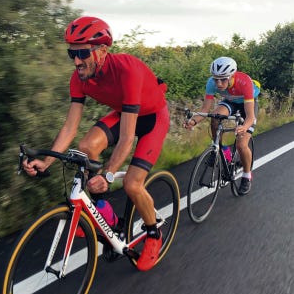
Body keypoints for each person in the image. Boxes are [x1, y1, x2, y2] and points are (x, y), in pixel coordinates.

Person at [23, 16, 170, 271]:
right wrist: (46, 161)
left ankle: (154, 234)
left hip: (153, 117)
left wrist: (108, 174)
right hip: (124, 113)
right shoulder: (79, 78)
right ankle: (105, 212)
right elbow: (70, 127)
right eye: (72, 53)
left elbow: (126, 137)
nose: (77, 61)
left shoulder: (127, 70)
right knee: (85, 148)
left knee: (132, 184)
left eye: (82, 53)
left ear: (102, 51)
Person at [184, 56, 260, 195]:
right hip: (230, 101)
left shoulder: (244, 82)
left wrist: (243, 127)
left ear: (232, 75)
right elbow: (205, 110)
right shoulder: (211, 83)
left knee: (241, 145)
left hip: (247, 104)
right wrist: (193, 121)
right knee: (214, 118)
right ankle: (219, 149)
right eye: (216, 79)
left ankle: (246, 176)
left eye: (223, 79)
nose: (219, 83)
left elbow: (250, 117)